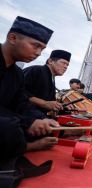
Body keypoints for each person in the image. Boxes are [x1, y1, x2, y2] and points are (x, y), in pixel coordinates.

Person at [0, 16, 59, 163]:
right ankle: (27, 146)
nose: (39, 53)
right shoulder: (35, 71)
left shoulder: (17, 74)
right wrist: (28, 122)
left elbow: (21, 103)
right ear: (12, 38)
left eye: (42, 49)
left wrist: (41, 119)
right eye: (35, 46)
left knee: (46, 128)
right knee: (8, 128)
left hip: (9, 119)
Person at [23, 50, 72, 115]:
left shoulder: (52, 79)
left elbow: (50, 104)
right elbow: (18, 92)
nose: (66, 67)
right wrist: (44, 103)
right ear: (50, 61)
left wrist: (62, 106)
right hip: (20, 116)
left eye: (67, 65)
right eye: (63, 63)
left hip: (38, 116)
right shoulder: (35, 70)